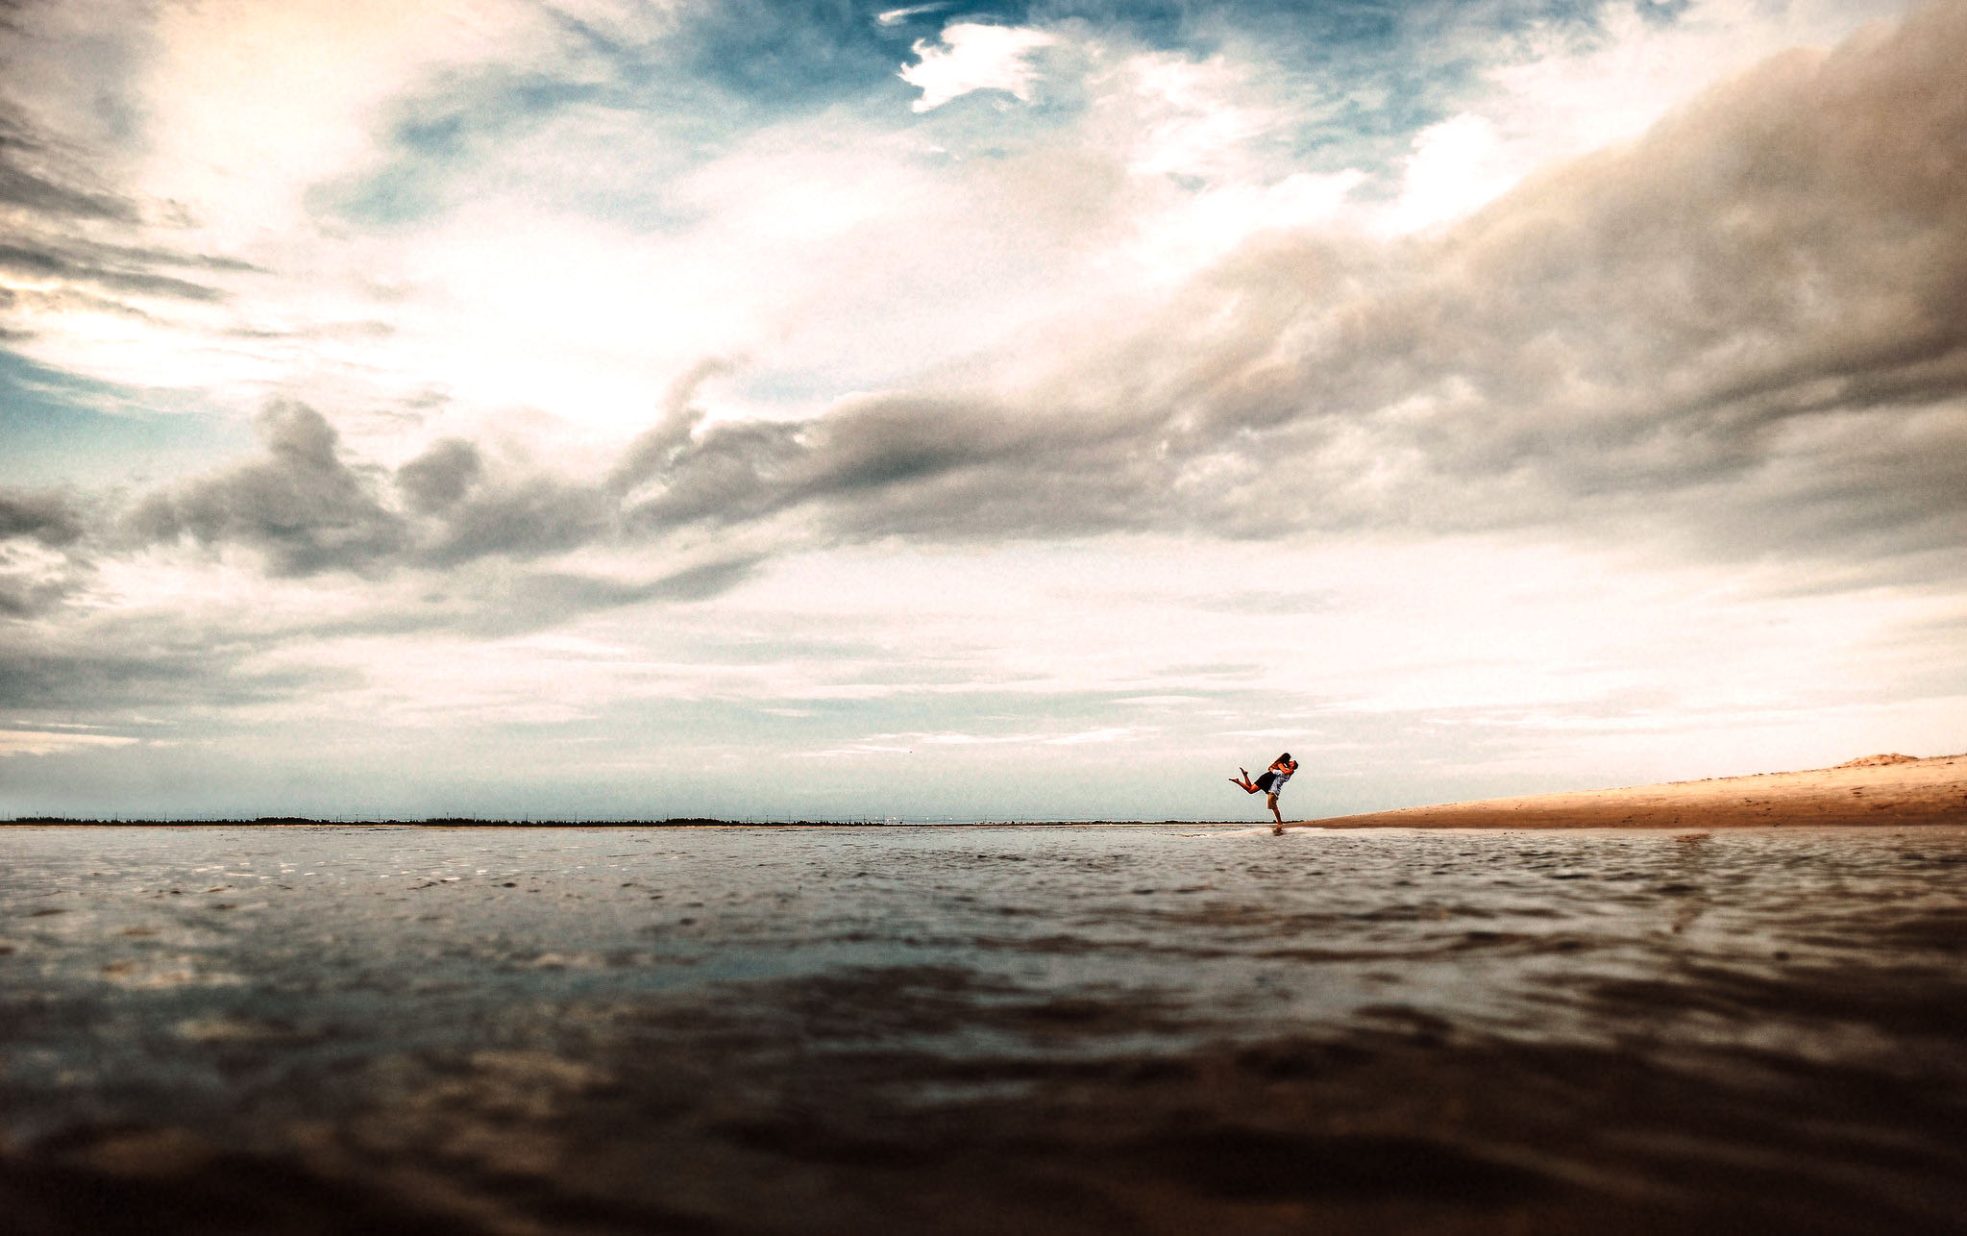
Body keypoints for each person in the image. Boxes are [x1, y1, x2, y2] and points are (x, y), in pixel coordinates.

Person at [1231, 753, 1297, 833]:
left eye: (1291, 762)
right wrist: (1287, 770)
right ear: (1285, 759)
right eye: (1289, 760)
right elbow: (1282, 772)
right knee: (1251, 791)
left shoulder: (1282, 765)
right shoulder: (1281, 764)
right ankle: (1280, 822)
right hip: (1267, 779)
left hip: (1268, 779)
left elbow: (1275, 769)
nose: (1289, 761)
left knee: (1250, 789)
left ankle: (1245, 775)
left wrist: (1273, 768)